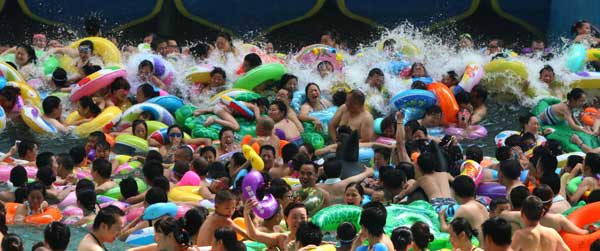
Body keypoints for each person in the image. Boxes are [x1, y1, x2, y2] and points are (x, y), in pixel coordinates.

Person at [439, 175, 489, 243]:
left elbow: (446, 230)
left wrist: (441, 217)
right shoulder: (482, 207)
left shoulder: (464, 209)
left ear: (455, 192)